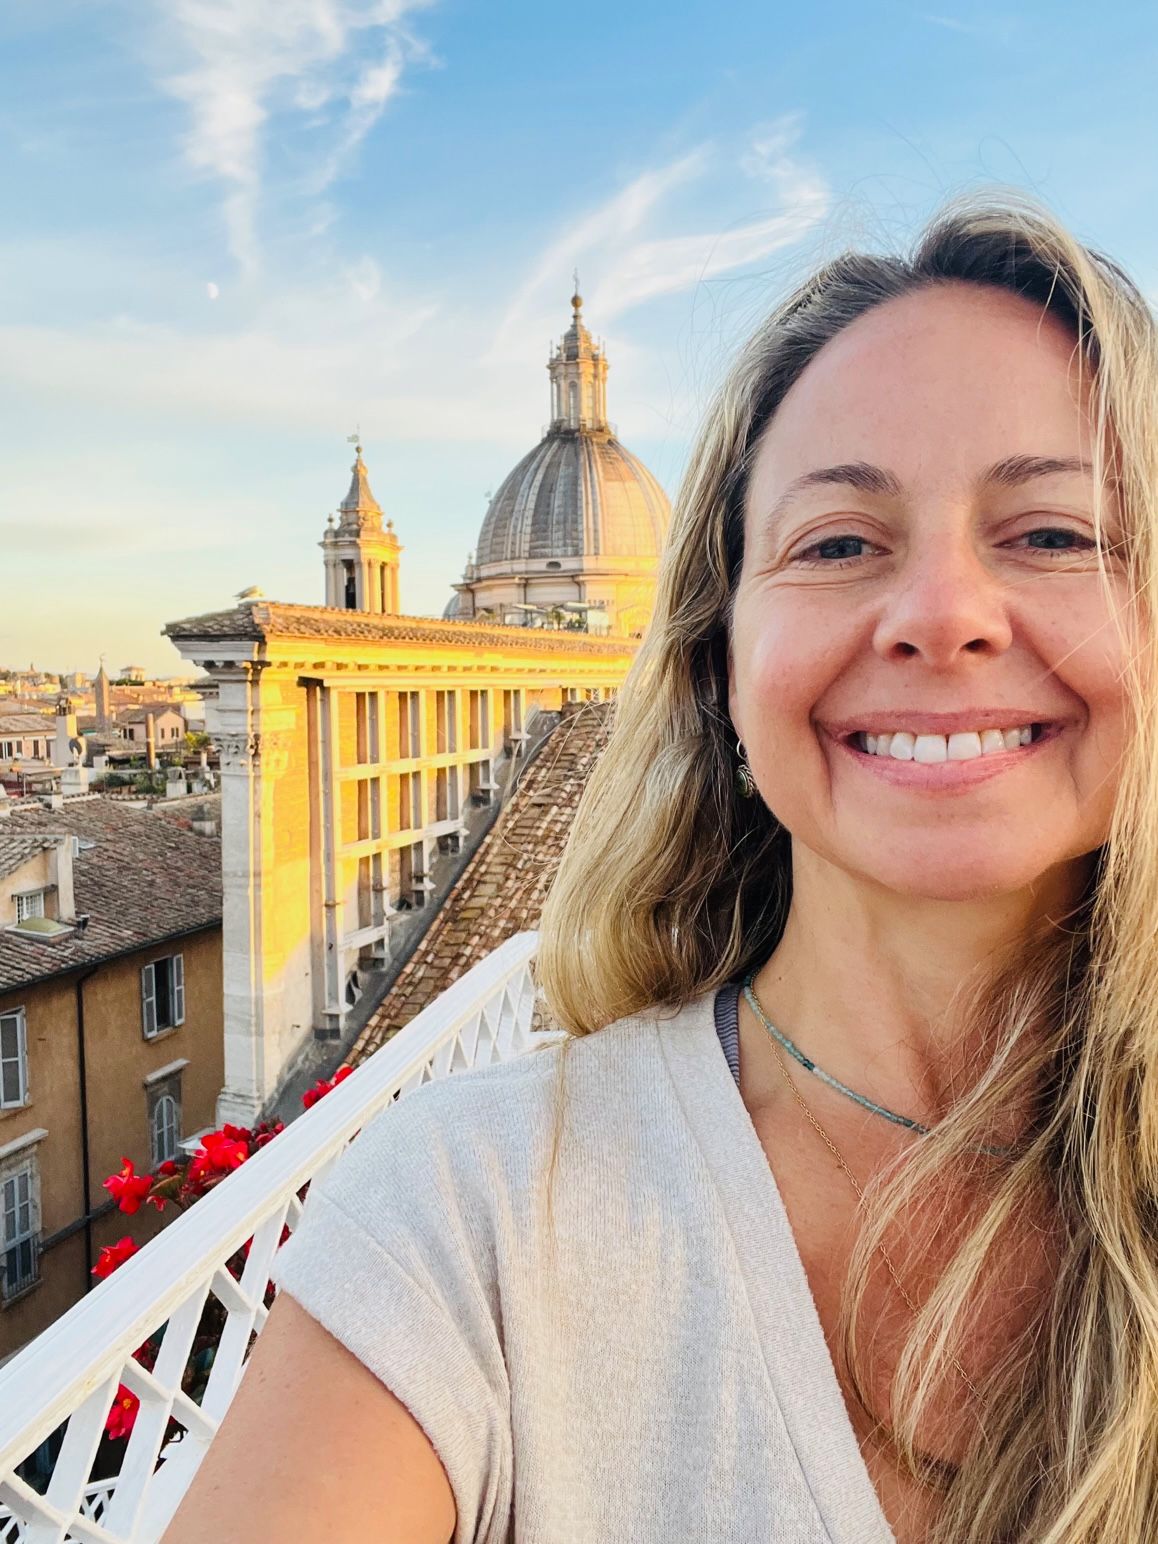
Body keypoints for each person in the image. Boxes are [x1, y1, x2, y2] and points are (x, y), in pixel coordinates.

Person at [163, 195, 1158, 1543]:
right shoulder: (470, 1211)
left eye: (1050, 533)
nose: (939, 615)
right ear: (714, 670)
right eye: (837, 544)